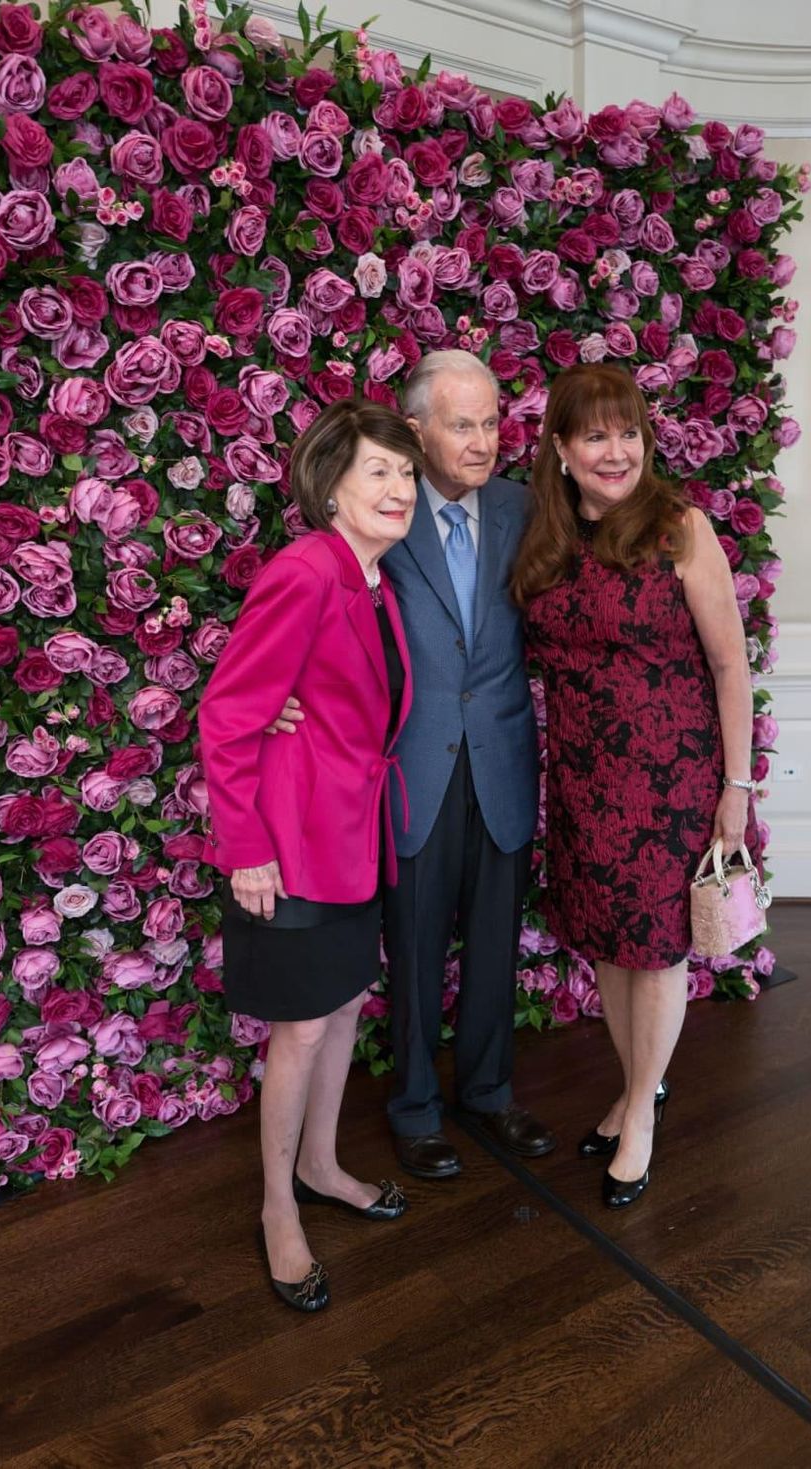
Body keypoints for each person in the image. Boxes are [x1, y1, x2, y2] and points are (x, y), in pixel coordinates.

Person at [275, 352, 555, 1178]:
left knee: (497, 943)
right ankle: (415, 1108)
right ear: (418, 429)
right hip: (410, 770)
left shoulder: (523, 508)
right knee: (417, 946)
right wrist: (286, 701)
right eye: (462, 424)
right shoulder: (382, 512)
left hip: (503, 762)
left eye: (493, 422)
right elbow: (323, 609)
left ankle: (491, 1094)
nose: (483, 441)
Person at [512, 363, 761, 1209]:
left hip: (671, 781)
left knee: (655, 951)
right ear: (561, 448)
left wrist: (736, 786)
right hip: (582, 781)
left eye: (628, 433)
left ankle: (644, 1118)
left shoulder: (679, 527)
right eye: (595, 435)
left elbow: (731, 665)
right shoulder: (546, 540)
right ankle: (633, 1085)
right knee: (609, 946)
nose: (615, 451)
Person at [198, 399, 423, 1312]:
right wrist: (246, 849)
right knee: (298, 1029)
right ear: (330, 489)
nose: (400, 487)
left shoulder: (373, 582)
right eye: (380, 471)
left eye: (407, 472)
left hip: (351, 841)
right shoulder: (303, 574)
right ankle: (277, 1207)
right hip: (288, 849)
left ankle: (324, 1163)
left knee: (340, 1010)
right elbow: (228, 715)